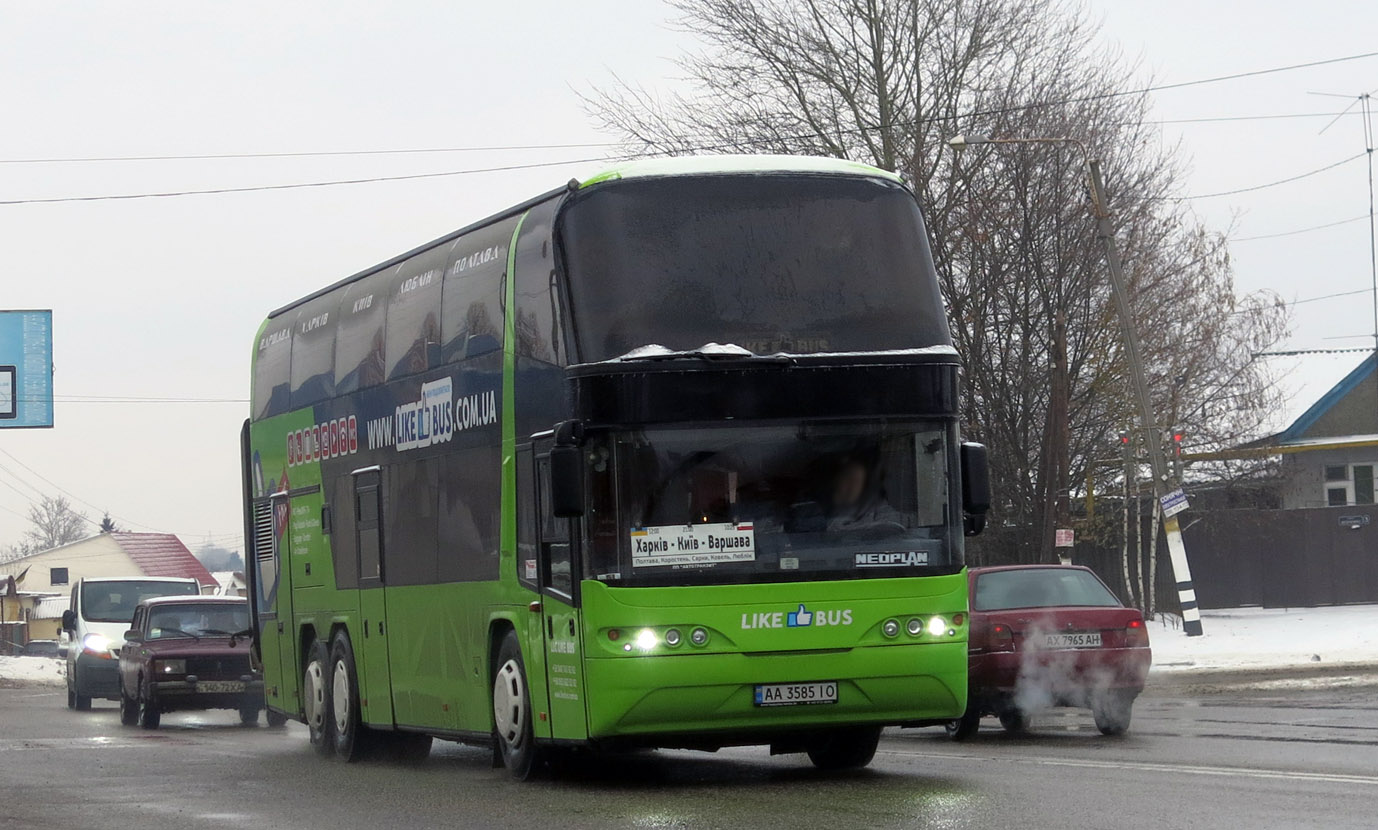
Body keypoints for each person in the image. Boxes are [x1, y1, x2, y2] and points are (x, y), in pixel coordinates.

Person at [825, 457, 907, 533]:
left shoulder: (880, 508)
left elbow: (894, 525)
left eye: (857, 481)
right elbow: (834, 529)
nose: (851, 486)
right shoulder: (826, 515)